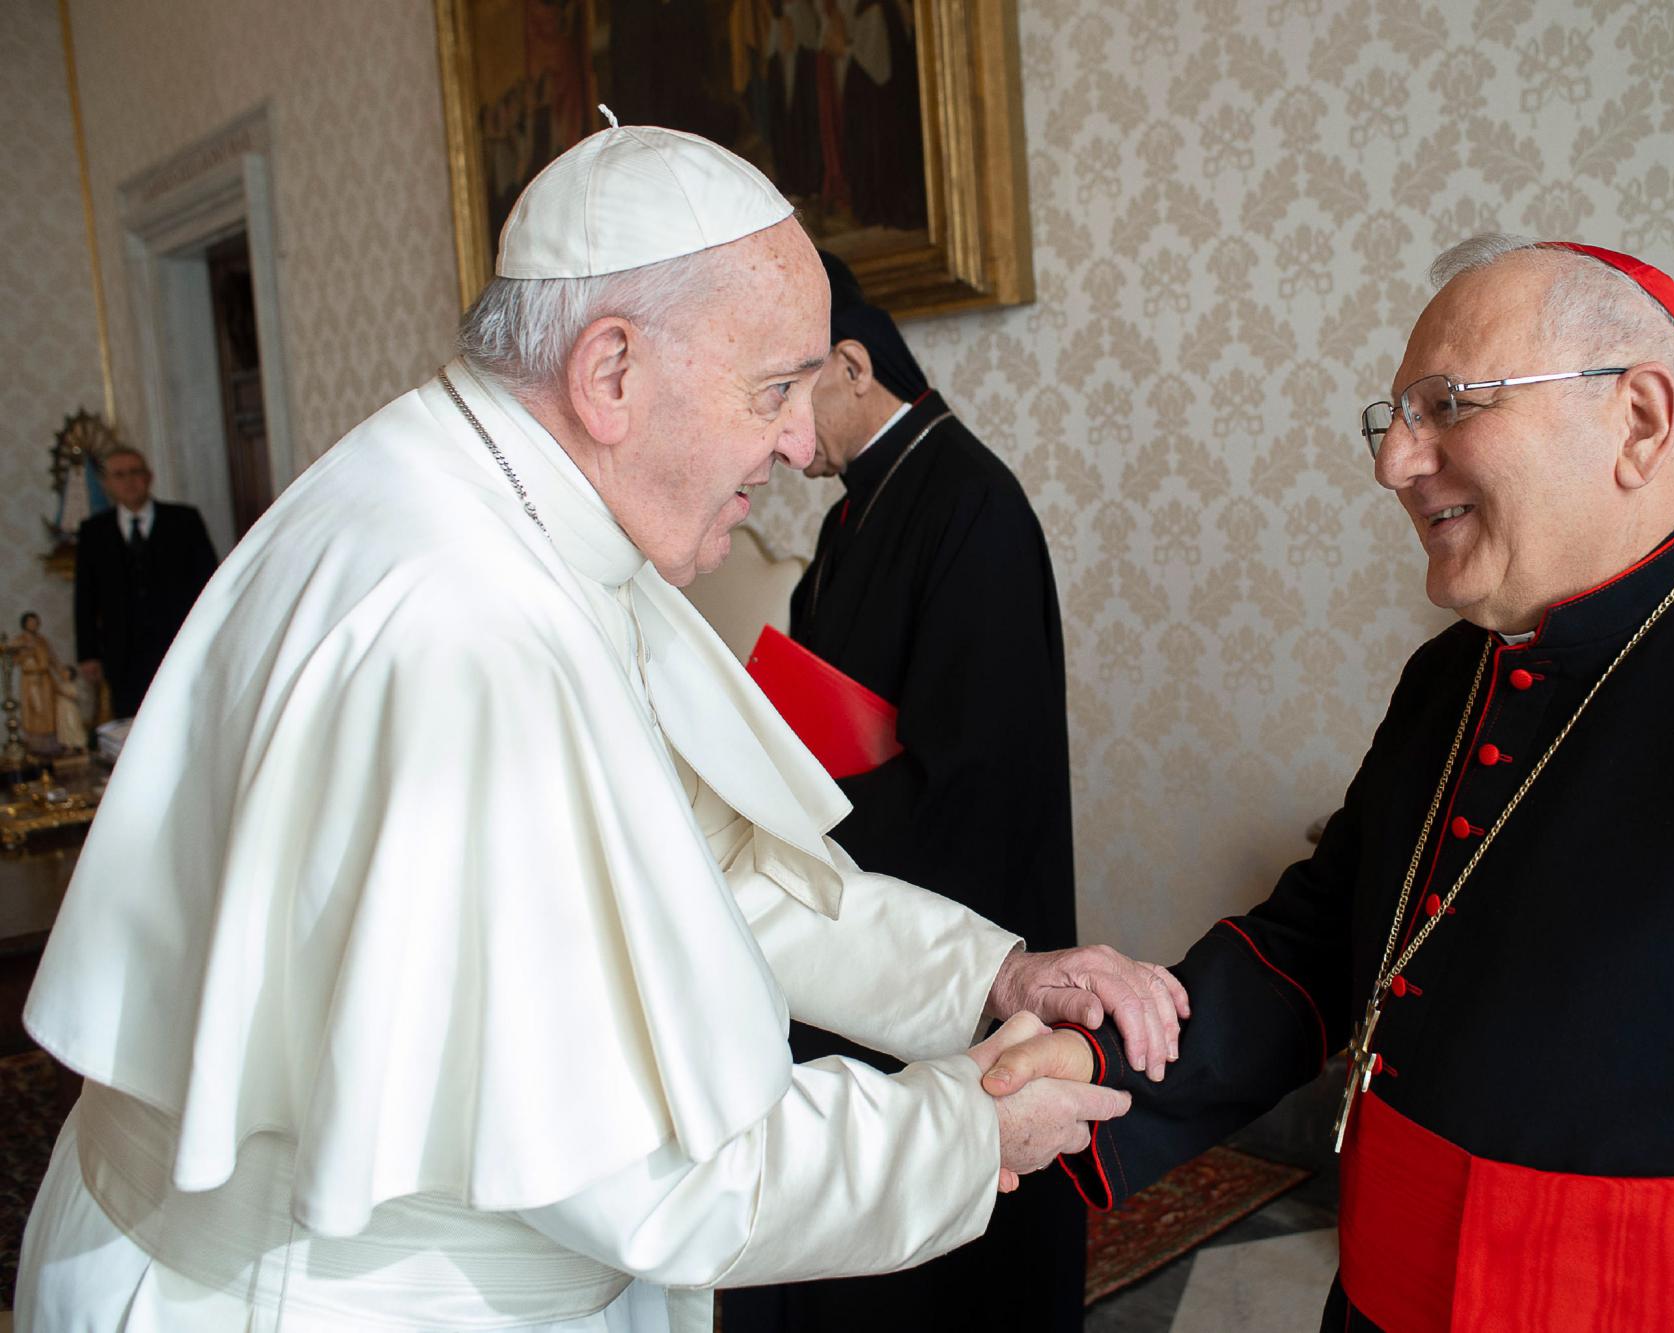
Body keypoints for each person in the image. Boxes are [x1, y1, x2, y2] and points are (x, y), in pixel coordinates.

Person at [18, 123, 1189, 1332]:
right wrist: (970, 1126)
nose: (800, 442)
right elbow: (650, 1170)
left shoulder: (532, 520)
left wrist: (989, 974)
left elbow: (709, 878)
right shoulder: (463, 627)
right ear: (611, 372)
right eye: (773, 388)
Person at [986, 235, 1674, 1330]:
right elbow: (1318, 944)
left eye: (1450, 405)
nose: (1393, 464)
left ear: (1639, 419)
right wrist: (1093, 1067)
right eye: (1393, 419)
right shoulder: (1451, 676)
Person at [727, 251, 1082, 1332]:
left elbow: (977, 772)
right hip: (855, 896)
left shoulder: (970, 503)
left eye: (790, 395)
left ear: (849, 361)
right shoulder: (848, 517)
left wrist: (815, 824)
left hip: (944, 895)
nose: (783, 444)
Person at [72, 446, 218, 718]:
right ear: (107, 484)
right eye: (119, 475)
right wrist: (87, 653)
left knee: (183, 715)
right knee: (131, 722)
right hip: (122, 651)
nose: (128, 481)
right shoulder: (94, 532)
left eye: (135, 472)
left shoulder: (183, 521)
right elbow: (85, 595)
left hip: (177, 643)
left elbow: (209, 582)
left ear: (148, 477)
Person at [10, 612, 59, 745]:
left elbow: (52, 658)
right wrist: (26, 652)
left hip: (45, 677)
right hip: (30, 680)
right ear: (25, 624)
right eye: (30, 622)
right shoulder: (19, 640)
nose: (33, 624)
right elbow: (12, 660)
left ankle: (50, 741)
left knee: (49, 709)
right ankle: (36, 743)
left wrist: (61, 672)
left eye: (35, 622)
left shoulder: (42, 639)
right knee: (36, 709)